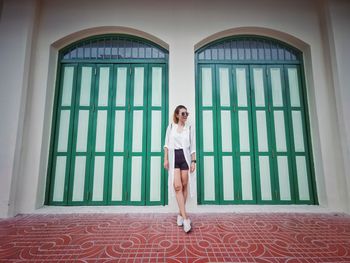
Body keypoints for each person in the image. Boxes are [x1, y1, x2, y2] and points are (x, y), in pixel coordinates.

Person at [164, 105, 196, 233]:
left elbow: (193, 146)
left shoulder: (189, 128)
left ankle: (180, 214)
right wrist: (165, 159)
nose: (185, 116)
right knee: (177, 187)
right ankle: (186, 218)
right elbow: (166, 144)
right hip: (174, 158)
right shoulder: (171, 127)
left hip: (185, 158)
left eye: (186, 114)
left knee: (184, 185)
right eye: (183, 113)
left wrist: (193, 161)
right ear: (177, 115)